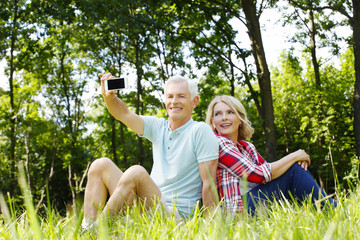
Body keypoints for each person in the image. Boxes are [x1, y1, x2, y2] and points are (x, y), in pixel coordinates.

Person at [82, 73, 219, 229]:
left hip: (175, 217)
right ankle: (88, 227)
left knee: (137, 172)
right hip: (146, 207)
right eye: (170, 96)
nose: (174, 101)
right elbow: (124, 113)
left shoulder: (200, 130)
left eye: (181, 96)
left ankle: (96, 233)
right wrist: (109, 97)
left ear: (194, 101)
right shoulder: (158, 126)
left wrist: (211, 228)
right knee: (101, 164)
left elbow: (209, 184)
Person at [205, 95, 336, 213]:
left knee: (292, 169)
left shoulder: (246, 147)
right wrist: (295, 156)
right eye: (218, 114)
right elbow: (257, 174)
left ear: (240, 120)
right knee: (293, 171)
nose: (224, 117)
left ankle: (324, 209)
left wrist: (294, 161)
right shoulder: (218, 143)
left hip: (252, 203)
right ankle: (333, 211)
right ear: (213, 122)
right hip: (237, 213)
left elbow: (274, 172)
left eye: (230, 112)